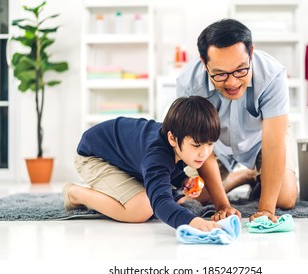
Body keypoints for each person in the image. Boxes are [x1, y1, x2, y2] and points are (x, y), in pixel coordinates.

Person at [177, 18, 298, 222]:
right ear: (204, 63)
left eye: (241, 70)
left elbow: (274, 146)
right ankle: (244, 176)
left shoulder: (273, 75)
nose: (232, 82)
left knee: (285, 198)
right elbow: (200, 147)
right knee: (194, 197)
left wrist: (266, 210)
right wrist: (223, 205)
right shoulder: (189, 85)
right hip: (213, 147)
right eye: (220, 75)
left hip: (262, 140)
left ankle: (257, 175)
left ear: (251, 53)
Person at [63, 96, 241, 230]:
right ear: (172, 138)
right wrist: (193, 222)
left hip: (126, 161)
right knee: (141, 209)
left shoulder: (175, 143)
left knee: (180, 198)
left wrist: (182, 180)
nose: (205, 153)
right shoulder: (156, 154)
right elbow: (161, 202)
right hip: (93, 158)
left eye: (210, 144)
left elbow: (169, 167)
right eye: (196, 145)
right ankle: (74, 193)